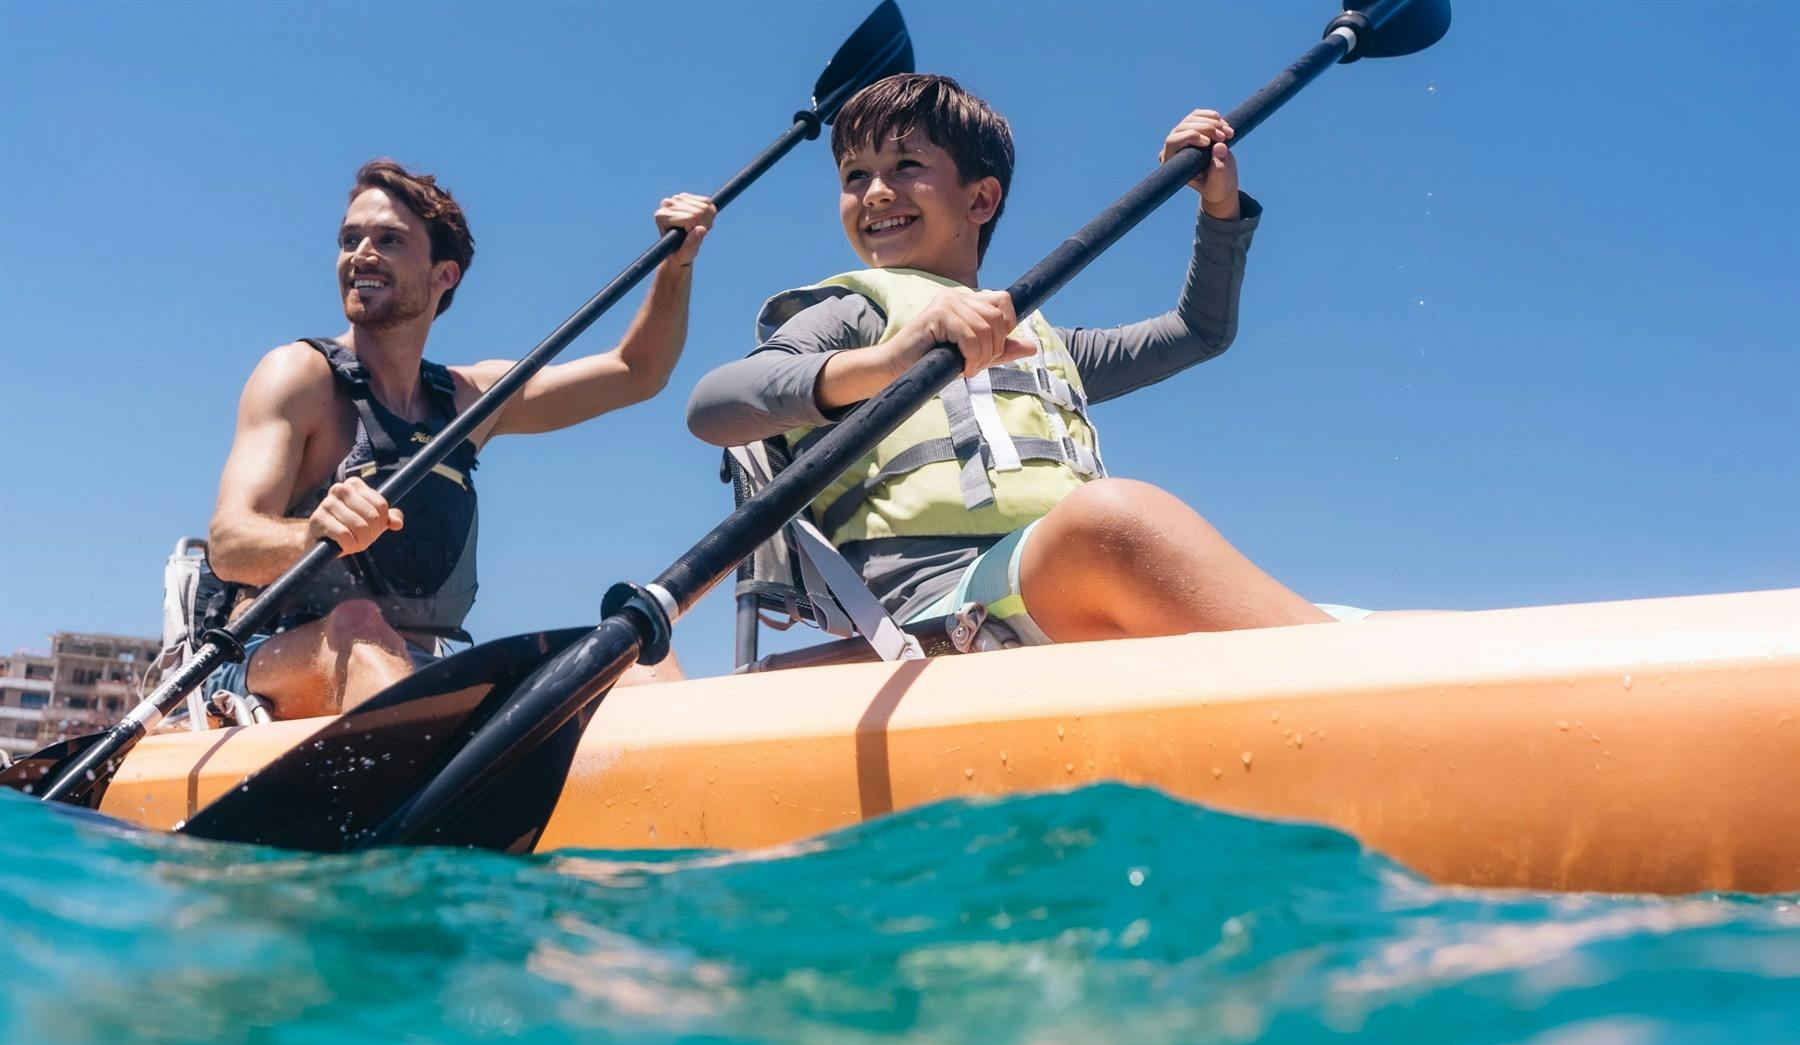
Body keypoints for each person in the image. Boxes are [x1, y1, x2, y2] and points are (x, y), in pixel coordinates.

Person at [687, 74, 1357, 650]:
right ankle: (1350, 684)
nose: (876, 192)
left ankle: (1362, 665)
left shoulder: (1033, 340)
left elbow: (1199, 330)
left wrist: (1218, 207)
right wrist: (895, 357)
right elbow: (714, 405)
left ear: (980, 199)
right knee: (1110, 518)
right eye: (855, 175)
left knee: (1353, 611)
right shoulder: (854, 315)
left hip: (1053, 584)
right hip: (932, 609)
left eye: (905, 167)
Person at [207, 159, 715, 718]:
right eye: (350, 239)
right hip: (271, 658)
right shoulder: (299, 375)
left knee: (635, 659)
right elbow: (229, 545)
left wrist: (678, 260)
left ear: (443, 275)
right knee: (360, 626)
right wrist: (310, 536)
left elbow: (635, 372)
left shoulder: (469, 399)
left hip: (420, 667)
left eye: (389, 240)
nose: (361, 255)